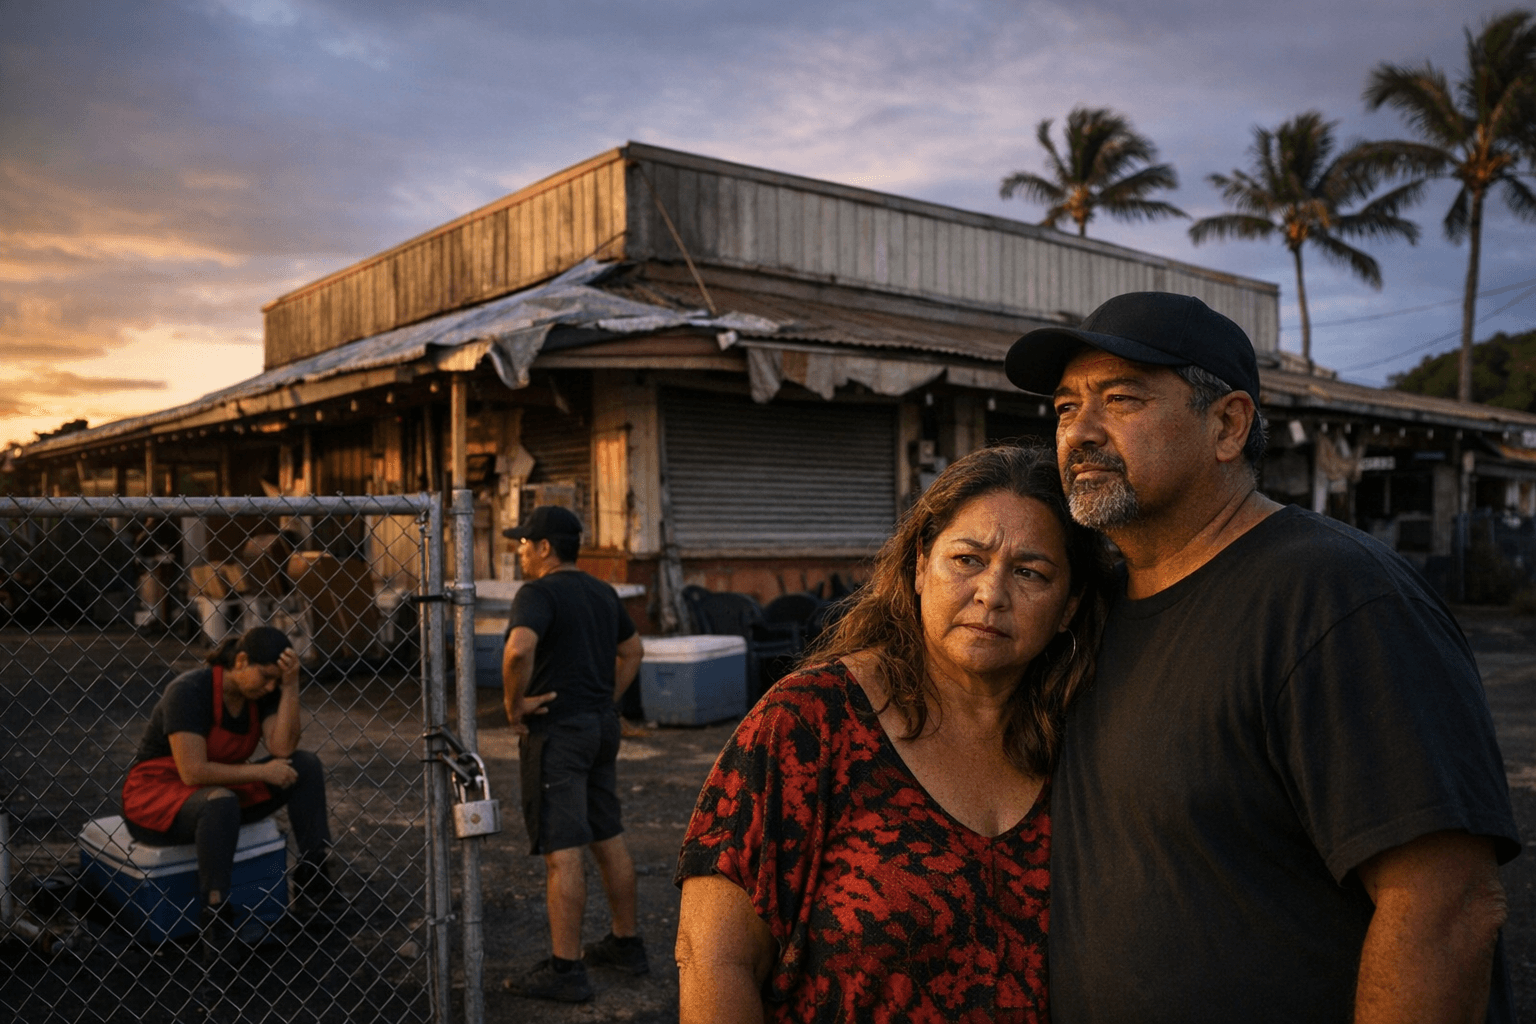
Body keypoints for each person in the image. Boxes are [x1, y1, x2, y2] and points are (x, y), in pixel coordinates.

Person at [1005, 291, 1521, 1023]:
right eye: (1063, 408)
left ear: (1227, 424)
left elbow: (1447, 905)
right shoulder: (1094, 608)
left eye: (1119, 399)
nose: (1079, 433)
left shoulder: (1336, 597)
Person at [675, 445, 1107, 1023]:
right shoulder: (810, 724)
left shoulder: (1081, 737)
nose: (992, 593)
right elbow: (712, 960)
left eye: (1030, 572)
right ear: (920, 565)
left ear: (1068, 607)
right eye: (967, 559)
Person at [500, 505, 647, 1003]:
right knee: (607, 834)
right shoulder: (602, 591)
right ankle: (627, 944)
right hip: (601, 728)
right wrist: (608, 698)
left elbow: (518, 650)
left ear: (544, 548)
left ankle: (566, 969)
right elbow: (633, 652)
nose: (519, 551)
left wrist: (513, 704)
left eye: (524, 543)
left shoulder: (537, 593)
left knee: (563, 852)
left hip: (559, 734)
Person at [121, 625, 343, 953]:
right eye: (266, 676)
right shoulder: (189, 690)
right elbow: (193, 771)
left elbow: (282, 747)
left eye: (275, 681)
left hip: (220, 787)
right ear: (240, 661)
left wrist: (291, 685)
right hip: (157, 796)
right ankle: (216, 915)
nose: (270, 686)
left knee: (304, 766)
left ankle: (314, 882)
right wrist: (259, 771)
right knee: (220, 801)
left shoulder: (262, 693)